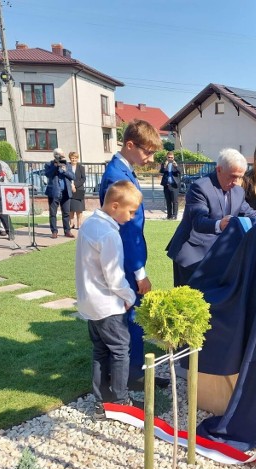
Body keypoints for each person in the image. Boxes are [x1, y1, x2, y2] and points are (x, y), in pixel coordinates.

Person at [99, 119, 162, 391]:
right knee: (129, 320)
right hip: (124, 260)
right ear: (130, 145)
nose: (149, 159)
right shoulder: (118, 176)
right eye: (146, 152)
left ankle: (129, 373)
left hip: (125, 256)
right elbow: (129, 230)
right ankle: (130, 376)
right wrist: (139, 272)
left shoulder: (124, 170)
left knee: (128, 319)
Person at [76, 180, 143, 420]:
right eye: (131, 211)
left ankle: (100, 403)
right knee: (120, 350)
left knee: (100, 351)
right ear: (115, 206)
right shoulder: (109, 234)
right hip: (107, 304)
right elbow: (114, 277)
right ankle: (121, 400)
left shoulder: (89, 224)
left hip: (90, 303)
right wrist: (129, 296)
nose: (132, 216)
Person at [167, 148, 256, 286]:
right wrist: (219, 224)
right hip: (191, 255)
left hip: (217, 256)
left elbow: (254, 216)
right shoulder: (200, 187)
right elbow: (198, 222)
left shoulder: (238, 191)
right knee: (188, 303)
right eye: (232, 176)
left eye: (240, 177)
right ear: (218, 169)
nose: (236, 182)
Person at [45, 147, 75, 239]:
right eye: (60, 156)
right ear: (55, 156)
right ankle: (54, 231)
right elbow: (48, 175)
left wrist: (64, 170)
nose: (62, 158)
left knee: (66, 213)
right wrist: (55, 166)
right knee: (53, 213)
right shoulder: (49, 164)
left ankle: (67, 231)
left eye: (63, 156)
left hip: (66, 192)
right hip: (54, 192)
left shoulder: (67, 165)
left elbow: (72, 176)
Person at [159, 151, 180, 219]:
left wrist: (176, 166)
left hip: (174, 185)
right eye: (169, 157)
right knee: (168, 201)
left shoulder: (176, 164)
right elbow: (161, 171)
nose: (170, 159)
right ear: (167, 157)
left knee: (175, 201)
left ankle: (174, 215)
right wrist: (165, 165)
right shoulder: (164, 164)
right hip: (166, 185)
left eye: (172, 157)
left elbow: (180, 171)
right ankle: (169, 215)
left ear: (173, 157)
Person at [68, 152, 86, 230]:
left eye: (75, 158)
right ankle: (71, 223)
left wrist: (75, 185)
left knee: (79, 208)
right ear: (70, 158)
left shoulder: (81, 167)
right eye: (72, 158)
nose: (73, 159)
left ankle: (79, 223)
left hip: (79, 189)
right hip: (69, 189)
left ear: (77, 158)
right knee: (71, 208)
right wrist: (71, 186)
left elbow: (83, 178)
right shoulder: (67, 166)